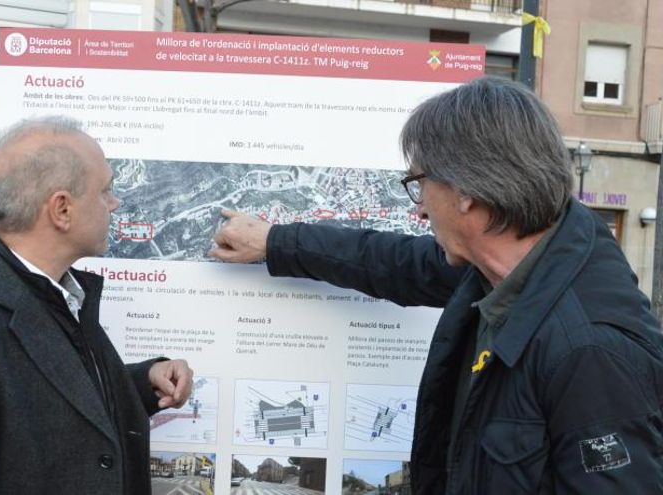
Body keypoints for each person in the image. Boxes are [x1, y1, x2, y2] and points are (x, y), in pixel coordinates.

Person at [210, 76, 663, 494]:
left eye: (419, 182)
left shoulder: (590, 352)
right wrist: (275, 242)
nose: (420, 208)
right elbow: (394, 264)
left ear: (466, 191)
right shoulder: (504, 264)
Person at [0, 116, 193, 494]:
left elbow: (50, 401)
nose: (114, 204)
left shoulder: (59, 294)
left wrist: (143, 382)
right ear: (61, 210)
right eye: (105, 191)